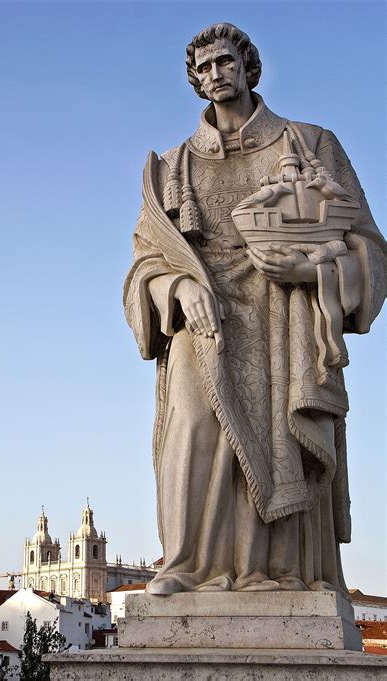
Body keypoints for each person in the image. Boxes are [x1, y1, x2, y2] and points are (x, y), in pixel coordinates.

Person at [124, 23, 385, 595]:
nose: (216, 74)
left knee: (279, 436)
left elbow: (368, 247)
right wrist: (175, 288)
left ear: (247, 67)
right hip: (204, 315)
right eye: (204, 68)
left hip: (284, 314)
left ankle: (278, 571)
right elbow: (143, 265)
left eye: (225, 62)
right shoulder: (172, 167)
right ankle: (190, 567)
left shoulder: (311, 145)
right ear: (195, 80)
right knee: (192, 426)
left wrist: (312, 271)